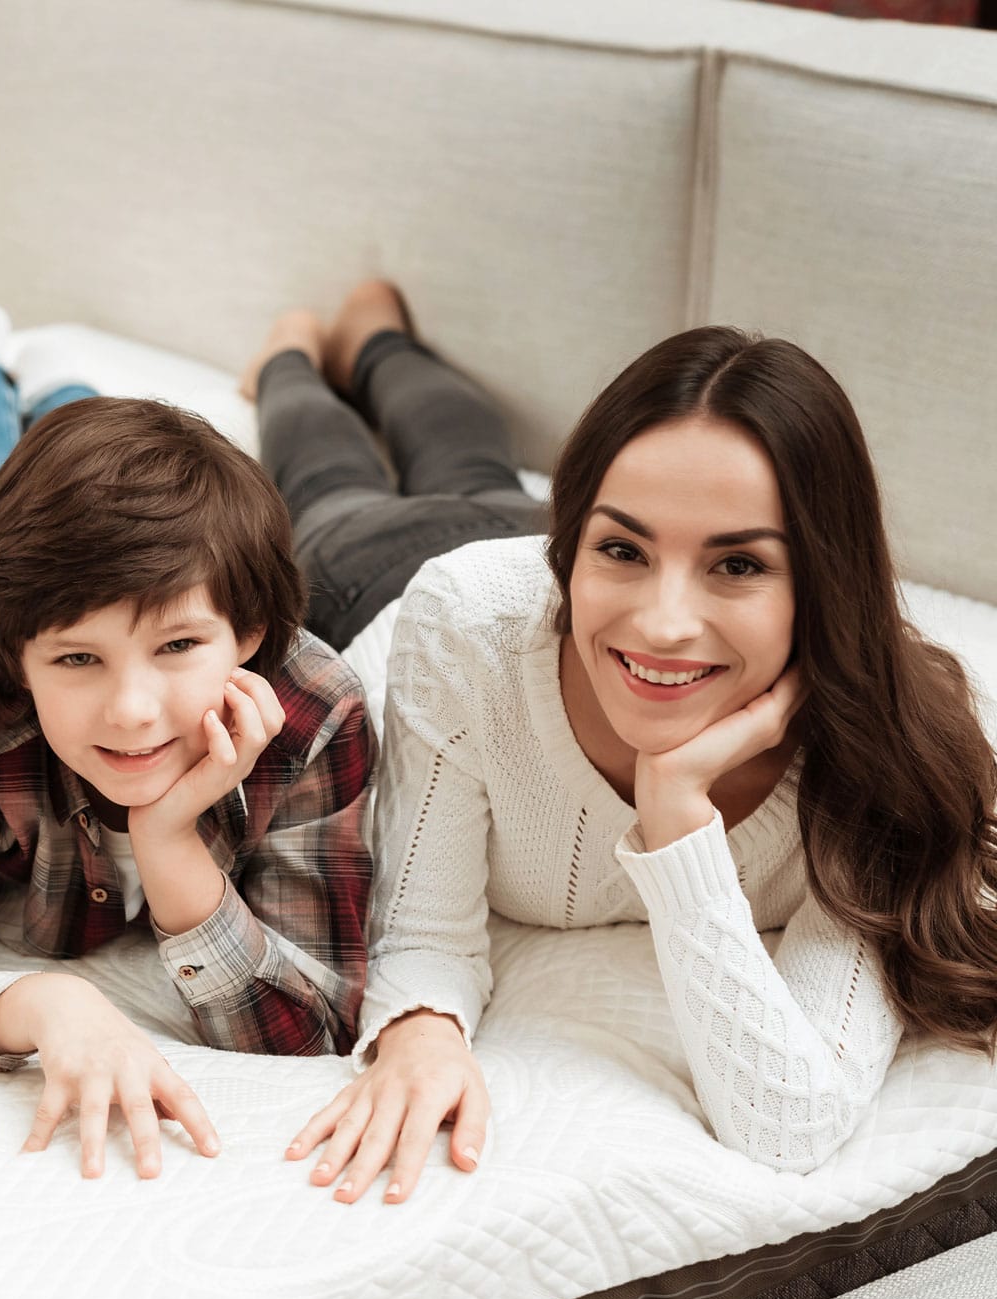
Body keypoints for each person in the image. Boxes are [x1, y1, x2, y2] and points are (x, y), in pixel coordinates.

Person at [261, 310, 997, 1201]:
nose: (663, 621)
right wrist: (420, 1028)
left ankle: (384, 339)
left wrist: (677, 809)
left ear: (824, 580)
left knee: (469, 461)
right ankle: (311, 352)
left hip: (544, 547)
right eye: (624, 547)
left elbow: (787, 1126)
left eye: (738, 566)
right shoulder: (465, 625)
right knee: (325, 467)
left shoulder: (877, 760)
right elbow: (426, 933)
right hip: (378, 573)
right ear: (579, 543)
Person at [0, 307, 375, 1181]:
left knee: (99, 491)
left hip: (76, 583)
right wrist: (37, 1004)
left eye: (180, 647)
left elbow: (314, 1032)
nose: (134, 711)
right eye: (79, 661)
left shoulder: (315, 711)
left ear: (251, 630)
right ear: (19, 662)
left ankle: (65, 391)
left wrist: (171, 842)